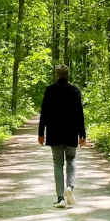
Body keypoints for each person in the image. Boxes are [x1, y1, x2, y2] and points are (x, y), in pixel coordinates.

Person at [38, 64, 86, 208]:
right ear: (68, 75)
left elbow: (44, 113)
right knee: (71, 159)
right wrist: (82, 134)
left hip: (54, 132)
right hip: (71, 132)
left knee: (57, 163)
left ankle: (60, 198)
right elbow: (80, 114)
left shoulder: (49, 90)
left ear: (56, 75)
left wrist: (41, 133)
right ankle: (69, 188)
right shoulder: (75, 90)